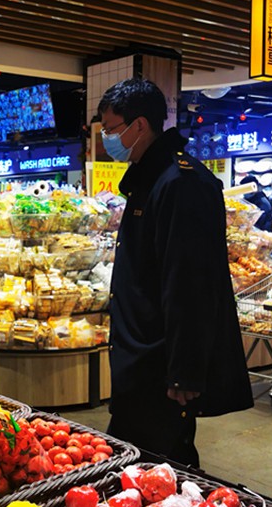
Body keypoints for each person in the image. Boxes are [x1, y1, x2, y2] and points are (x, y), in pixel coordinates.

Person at [99, 78, 253, 467]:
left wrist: (185, 372)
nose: (107, 139)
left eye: (111, 129)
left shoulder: (182, 182)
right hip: (139, 355)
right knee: (137, 459)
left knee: (164, 463)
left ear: (139, 125)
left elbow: (190, 284)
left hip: (160, 358)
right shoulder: (148, 178)